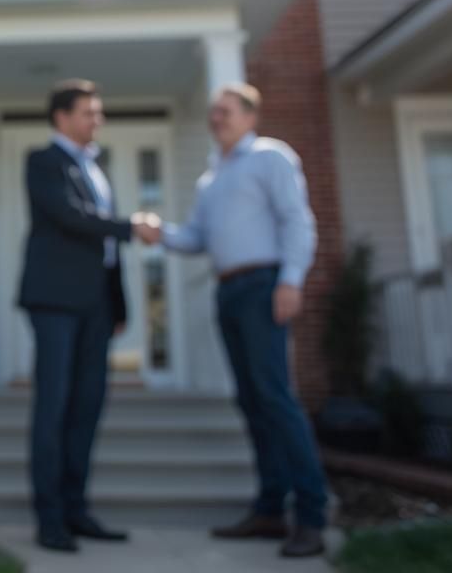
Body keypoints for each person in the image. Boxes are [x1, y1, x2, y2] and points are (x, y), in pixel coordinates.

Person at [157, 82, 327, 559]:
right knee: (251, 401)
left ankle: (312, 516)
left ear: (250, 117)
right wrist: (158, 234)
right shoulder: (212, 179)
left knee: (275, 397)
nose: (217, 119)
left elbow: (297, 220)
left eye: (226, 111)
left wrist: (291, 280)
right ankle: (270, 510)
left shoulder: (271, 158)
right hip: (229, 290)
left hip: (263, 286)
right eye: (213, 112)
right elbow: (196, 238)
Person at [18, 79, 161, 553]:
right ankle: (50, 518)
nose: (96, 120)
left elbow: (105, 250)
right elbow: (70, 217)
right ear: (61, 117)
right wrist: (130, 226)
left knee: (87, 409)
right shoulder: (43, 163)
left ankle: (78, 510)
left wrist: (118, 304)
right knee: (53, 408)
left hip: (97, 305)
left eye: (98, 112)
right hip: (55, 302)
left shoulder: (98, 167)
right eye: (88, 112)